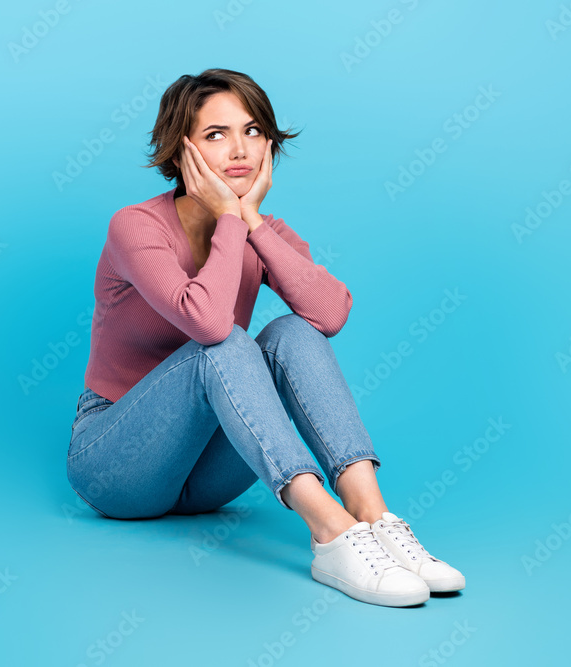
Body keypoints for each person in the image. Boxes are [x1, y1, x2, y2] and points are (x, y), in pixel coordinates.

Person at [66, 68, 464, 607]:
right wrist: (231, 218)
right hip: (116, 463)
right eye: (216, 135)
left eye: (253, 131)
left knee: (292, 331)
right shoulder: (136, 227)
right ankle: (331, 532)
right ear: (180, 150)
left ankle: (373, 516)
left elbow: (329, 314)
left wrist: (250, 222)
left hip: (205, 474)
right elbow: (206, 325)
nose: (240, 150)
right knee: (226, 342)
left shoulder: (262, 230)